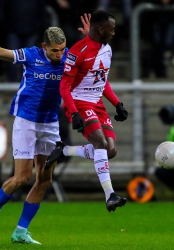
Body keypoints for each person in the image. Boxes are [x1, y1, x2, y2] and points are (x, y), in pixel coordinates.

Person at [0, 14, 90, 244]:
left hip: (50, 123)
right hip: (26, 121)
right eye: (55, 50)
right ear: (44, 47)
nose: (59, 54)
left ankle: (20, 231)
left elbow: (94, 60)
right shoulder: (30, 55)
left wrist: (90, 41)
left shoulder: (70, 58)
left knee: (45, 179)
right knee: (21, 177)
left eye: (62, 49)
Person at [44, 10, 128, 212]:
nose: (114, 32)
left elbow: (102, 80)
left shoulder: (106, 49)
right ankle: (110, 195)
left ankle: (63, 150)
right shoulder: (77, 51)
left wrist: (117, 104)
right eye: (111, 28)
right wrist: (73, 113)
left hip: (97, 102)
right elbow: (64, 86)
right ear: (101, 29)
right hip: (80, 102)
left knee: (110, 150)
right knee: (99, 142)